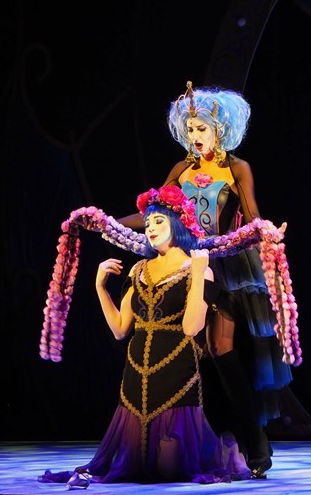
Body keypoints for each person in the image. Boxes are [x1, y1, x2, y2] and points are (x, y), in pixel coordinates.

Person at [116, 81, 294, 477]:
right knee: (193, 351)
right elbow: (154, 214)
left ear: (220, 130)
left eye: (202, 129)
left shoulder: (236, 168)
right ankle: (201, 442)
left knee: (219, 346)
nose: (196, 136)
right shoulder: (181, 170)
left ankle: (255, 442)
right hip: (187, 264)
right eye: (191, 129)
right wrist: (106, 221)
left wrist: (268, 233)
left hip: (228, 265)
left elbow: (252, 215)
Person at [38, 185, 252, 488]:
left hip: (176, 368)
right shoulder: (139, 269)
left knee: (170, 472)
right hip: (136, 370)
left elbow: (192, 327)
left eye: (158, 221)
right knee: (135, 469)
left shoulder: (198, 268)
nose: (150, 228)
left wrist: (199, 272)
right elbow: (119, 329)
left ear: (177, 223)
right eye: (148, 223)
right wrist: (100, 287)